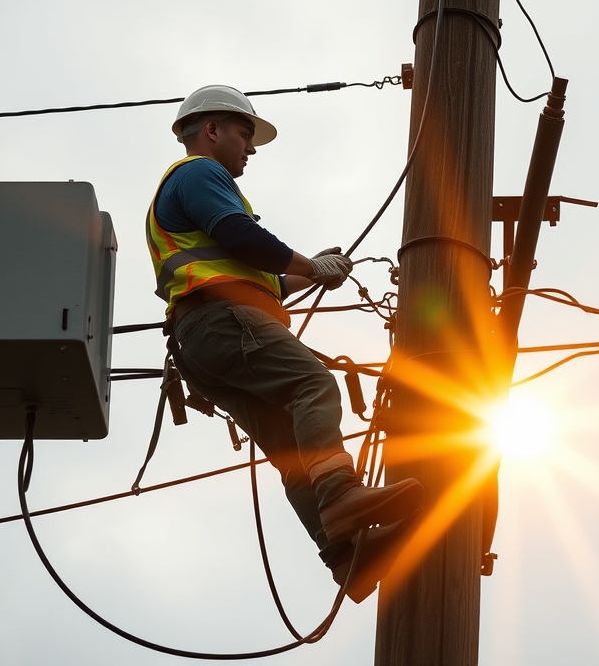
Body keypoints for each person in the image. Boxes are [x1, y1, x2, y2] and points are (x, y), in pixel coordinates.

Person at [146, 85, 422, 603]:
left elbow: (256, 276)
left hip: (203, 341)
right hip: (222, 322)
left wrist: (312, 275)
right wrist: (308, 264)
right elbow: (242, 238)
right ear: (211, 130)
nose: (250, 148)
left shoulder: (186, 194)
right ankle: (342, 500)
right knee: (312, 385)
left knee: (295, 453)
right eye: (245, 135)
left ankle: (346, 559)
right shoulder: (201, 173)